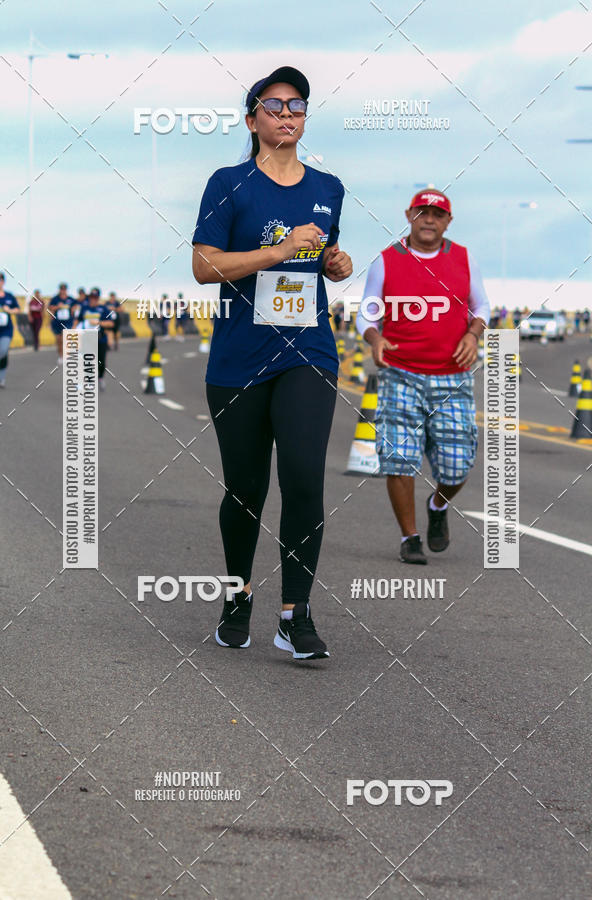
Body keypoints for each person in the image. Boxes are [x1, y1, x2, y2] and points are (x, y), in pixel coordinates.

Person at [193, 65, 352, 660]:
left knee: (306, 476)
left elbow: (327, 256)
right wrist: (279, 251)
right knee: (244, 491)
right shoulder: (228, 183)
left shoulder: (329, 187)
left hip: (306, 350)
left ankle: (295, 615)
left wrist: (336, 263)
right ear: (252, 117)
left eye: (298, 106)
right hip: (238, 359)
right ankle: (237, 597)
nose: (288, 114)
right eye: (276, 105)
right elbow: (204, 266)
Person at [357, 189, 490, 564]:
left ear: (448, 221)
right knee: (398, 458)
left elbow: (482, 306)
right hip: (401, 374)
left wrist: (472, 334)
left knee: (458, 463)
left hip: (453, 378)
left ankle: (437, 505)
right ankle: (409, 538)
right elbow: (366, 314)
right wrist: (375, 337)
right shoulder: (386, 261)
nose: (428, 219)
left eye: (437, 214)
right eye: (421, 212)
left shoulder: (464, 259)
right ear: (409, 215)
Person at [75, 287, 116, 391]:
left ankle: (100, 377)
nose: (93, 299)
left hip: (100, 338)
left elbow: (111, 323)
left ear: (98, 298)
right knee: (87, 360)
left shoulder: (103, 309)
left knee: (101, 362)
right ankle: (89, 382)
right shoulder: (84, 308)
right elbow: (78, 320)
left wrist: (98, 323)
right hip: (87, 337)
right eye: (91, 297)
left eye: (95, 297)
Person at [0, 272, 20, 388]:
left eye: (1, 280)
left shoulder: (9, 296)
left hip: (6, 329)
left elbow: (17, 309)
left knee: (3, 351)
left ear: (3, 282)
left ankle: (2, 378)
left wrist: (9, 310)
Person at [48, 282, 76, 364]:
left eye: (64, 289)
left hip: (67, 322)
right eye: (61, 289)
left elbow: (76, 306)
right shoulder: (55, 299)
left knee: (65, 337)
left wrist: (73, 309)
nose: (63, 291)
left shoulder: (71, 299)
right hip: (57, 322)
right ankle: (61, 355)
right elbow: (50, 308)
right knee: (58, 339)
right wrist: (58, 307)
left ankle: (67, 354)